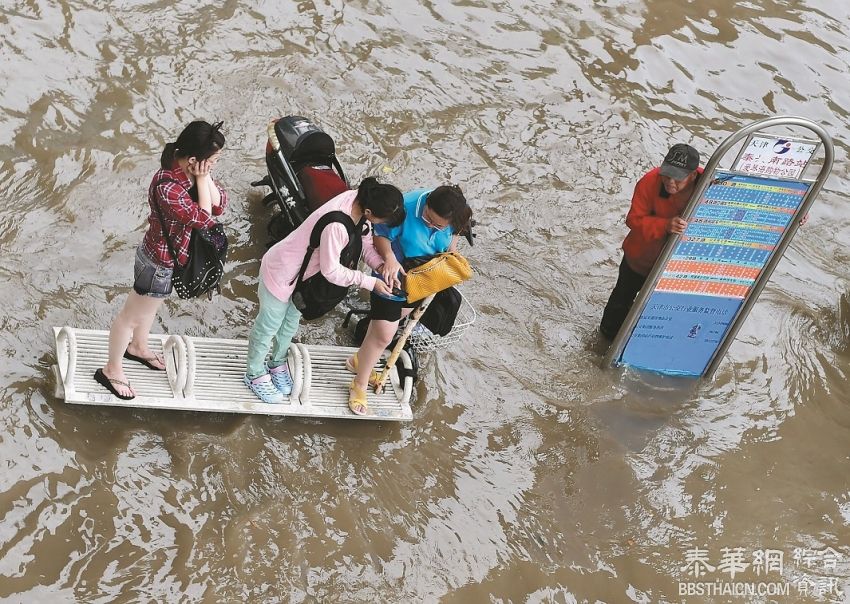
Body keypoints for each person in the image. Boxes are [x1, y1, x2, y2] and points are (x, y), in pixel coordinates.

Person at [95, 120, 227, 399]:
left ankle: (138, 348)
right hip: (157, 261)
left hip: (167, 259)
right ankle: (111, 369)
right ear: (194, 160)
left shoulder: (189, 174)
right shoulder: (169, 187)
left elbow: (219, 204)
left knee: (149, 310)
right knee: (129, 318)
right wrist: (203, 180)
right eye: (212, 161)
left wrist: (205, 178)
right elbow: (205, 220)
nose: (214, 165)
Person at [244, 178, 405, 404]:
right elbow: (331, 271)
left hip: (303, 278)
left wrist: (381, 266)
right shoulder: (337, 226)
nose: (381, 225)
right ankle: (253, 373)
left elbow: (365, 243)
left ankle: (276, 362)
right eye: (382, 219)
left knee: (289, 323)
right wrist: (369, 282)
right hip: (282, 273)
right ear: (369, 211)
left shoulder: (359, 201)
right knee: (268, 326)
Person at [348, 185, 472, 415]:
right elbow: (379, 233)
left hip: (425, 279)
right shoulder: (405, 206)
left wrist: (451, 256)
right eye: (427, 219)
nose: (431, 226)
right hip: (394, 276)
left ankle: (359, 361)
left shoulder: (459, 216)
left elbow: (454, 237)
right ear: (426, 204)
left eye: (438, 226)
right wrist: (389, 258)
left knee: (380, 330)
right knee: (384, 334)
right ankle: (359, 385)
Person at [599, 143, 702, 340]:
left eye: (678, 178)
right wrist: (665, 225)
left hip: (676, 269)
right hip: (639, 260)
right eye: (667, 174)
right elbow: (633, 219)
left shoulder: (709, 186)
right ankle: (605, 340)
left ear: (693, 176)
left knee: (661, 312)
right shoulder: (649, 181)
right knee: (621, 300)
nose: (670, 182)